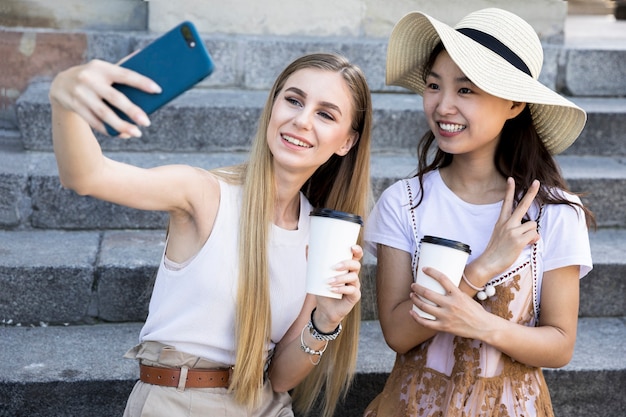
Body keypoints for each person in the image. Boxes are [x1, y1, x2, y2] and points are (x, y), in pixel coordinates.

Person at [49, 51, 372, 417]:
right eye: (293, 100)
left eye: (325, 114)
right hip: (178, 401)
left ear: (346, 141)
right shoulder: (203, 193)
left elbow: (281, 378)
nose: (301, 120)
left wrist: (325, 320)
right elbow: (87, 176)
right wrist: (64, 97)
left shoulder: (323, 233)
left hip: (266, 405)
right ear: (273, 106)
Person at [363, 8, 594, 416]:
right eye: (434, 85)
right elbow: (398, 334)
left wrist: (481, 324)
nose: (443, 106)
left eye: (466, 90)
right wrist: (480, 270)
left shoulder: (555, 213)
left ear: (514, 104)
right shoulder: (404, 202)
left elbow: (560, 344)